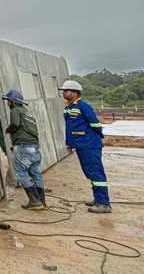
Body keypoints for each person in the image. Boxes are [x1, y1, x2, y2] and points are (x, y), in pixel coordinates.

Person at [59, 80, 111, 213]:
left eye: (66, 91)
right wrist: (70, 143)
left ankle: (104, 204)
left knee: (95, 172)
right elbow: (70, 128)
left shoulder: (83, 106)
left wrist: (98, 137)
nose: (63, 93)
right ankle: (98, 199)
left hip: (89, 145)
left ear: (75, 93)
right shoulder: (68, 107)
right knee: (89, 172)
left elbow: (95, 124)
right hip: (81, 145)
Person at [3, 90, 46, 210]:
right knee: (35, 173)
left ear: (13, 102)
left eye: (8, 101)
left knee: (21, 172)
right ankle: (42, 202)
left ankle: (34, 201)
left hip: (23, 145)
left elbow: (15, 124)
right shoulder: (28, 112)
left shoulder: (15, 110)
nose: (8, 103)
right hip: (35, 146)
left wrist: (9, 129)